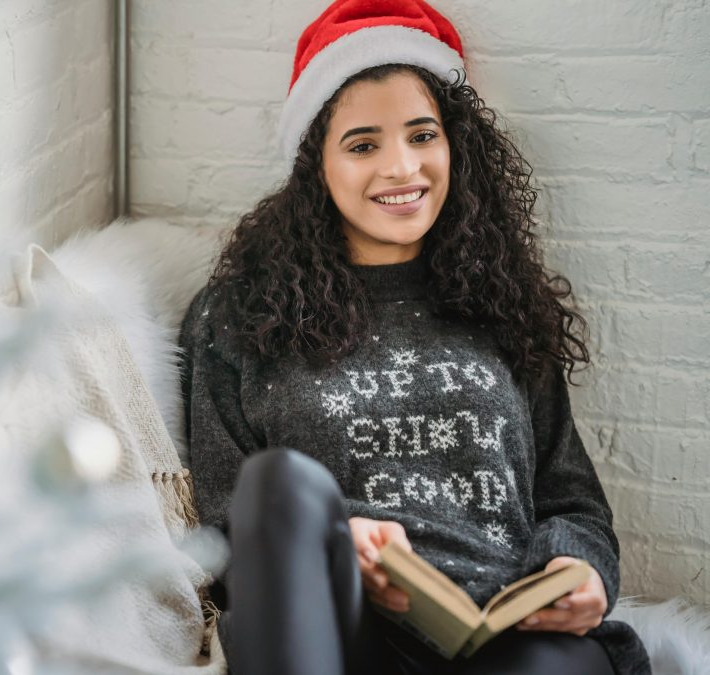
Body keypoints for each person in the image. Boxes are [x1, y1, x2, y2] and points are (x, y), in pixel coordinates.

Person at [177, 1, 652, 673]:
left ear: (453, 145)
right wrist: (339, 543)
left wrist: (583, 570)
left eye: (423, 135)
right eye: (364, 143)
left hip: (507, 635)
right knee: (279, 481)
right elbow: (228, 528)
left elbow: (572, 499)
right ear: (317, 164)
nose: (402, 168)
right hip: (343, 627)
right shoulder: (236, 317)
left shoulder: (501, 301)